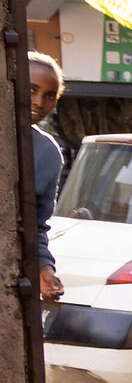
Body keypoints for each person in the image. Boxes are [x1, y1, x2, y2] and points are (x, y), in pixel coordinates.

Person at [27, 53, 63, 301]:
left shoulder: (47, 153)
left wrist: (44, 269)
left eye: (49, 95)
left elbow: (36, 225)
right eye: (31, 89)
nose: (39, 102)